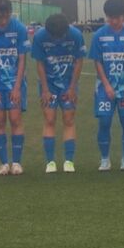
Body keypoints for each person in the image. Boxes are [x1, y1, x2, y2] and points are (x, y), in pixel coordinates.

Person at [90, 0, 124, 171]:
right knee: (104, 122)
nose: (114, 21)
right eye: (110, 18)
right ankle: (105, 159)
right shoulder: (99, 35)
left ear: (123, 16)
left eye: (117, 18)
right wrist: (106, 85)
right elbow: (97, 62)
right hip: (104, 87)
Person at [30, 13, 85, 173]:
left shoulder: (76, 35)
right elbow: (40, 63)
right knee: (49, 119)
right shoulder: (40, 36)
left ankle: (69, 161)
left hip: (68, 82)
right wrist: (45, 89)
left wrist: (72, 87)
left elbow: (79, 61)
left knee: (69, 119)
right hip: (49, 84)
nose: (57, 39)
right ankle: (50, 162)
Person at [0, 0, 29, 175]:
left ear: (10, 13)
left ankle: (16, 162)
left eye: (6, 16)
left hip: (15, 83)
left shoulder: (19, 29)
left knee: (15, 119)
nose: (2, 20)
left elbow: (22, 59)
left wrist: (17, 87)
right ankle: (3, 163)